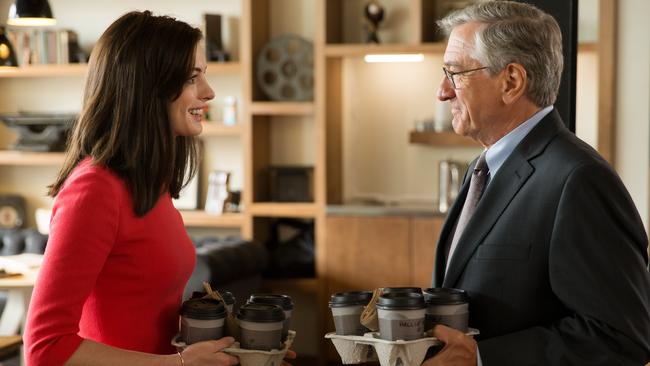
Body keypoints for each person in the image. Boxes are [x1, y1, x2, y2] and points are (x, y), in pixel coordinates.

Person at [423, 2, 650, 365]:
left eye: (455, 74)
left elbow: (620, 338)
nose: (442, 92)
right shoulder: (482, 170)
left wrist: (482, 357)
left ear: (511, 81)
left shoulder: (579, 179)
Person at [24, 11, 248, 366]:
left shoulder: (150, 184)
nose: (209, 92)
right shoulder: (94, 190)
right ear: (150, 86)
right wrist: (181, 364)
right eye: (193, 77)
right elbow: (44, 348)